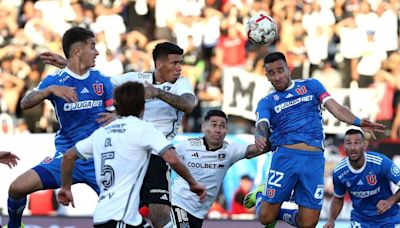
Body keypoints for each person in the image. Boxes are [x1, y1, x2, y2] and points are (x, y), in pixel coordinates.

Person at [42, 42, 196, 228]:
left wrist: (157, 93)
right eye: (174, 63)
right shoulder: (136, 78)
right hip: (128, 153)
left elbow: (188, 105)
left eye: (180, 63)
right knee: (122, 215)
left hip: (156, 156)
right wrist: (69, 65)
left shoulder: (181, 83)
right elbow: (99, 82)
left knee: (159, 218)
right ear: (159, 64)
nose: (179, 68)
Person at [243, 52, 386, 228]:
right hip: (285, 159)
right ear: (267, 76)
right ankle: (260, 195)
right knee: (265, 217)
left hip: (314, 161)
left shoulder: (311, 85)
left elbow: (335, 108)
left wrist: (358, 121)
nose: (277, 76)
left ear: (289, 69)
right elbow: (262, 124)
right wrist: (260, 136)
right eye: (272, 73)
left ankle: (278, 211)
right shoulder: (267, 102)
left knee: (308, 223)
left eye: (280, 70)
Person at [5, 27, 115, 228]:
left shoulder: (101, 80)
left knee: (127, 211)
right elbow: (25, 103)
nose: (97, 52)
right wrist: (49, 90)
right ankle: (14, 226)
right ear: (77, 51)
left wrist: (116, 116)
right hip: (66, 158)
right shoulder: (55, 80)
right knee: (16, 188)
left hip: (100, 160)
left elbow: (118, 113)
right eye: (93, 47)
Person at [57, 81, 206, 228]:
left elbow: (68, 156)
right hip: (121, 218)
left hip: (104, 216)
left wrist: (65, 187)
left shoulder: (101, 133)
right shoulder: (143, 128)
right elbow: (172, 159)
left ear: (116, 106)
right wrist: (193, 183)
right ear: (142, 107)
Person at [170, 110, 269, 228]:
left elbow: (259, 149)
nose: (217, 130)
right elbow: (163, 157)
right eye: (213, 125)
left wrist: (282, 137)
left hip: (199, 213)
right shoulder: (184, 146)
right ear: (203, 127)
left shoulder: (231, 150)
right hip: (177, 203)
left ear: (226, 131)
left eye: (222, 126)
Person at [323, 129, 400, 228]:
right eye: (349, 143)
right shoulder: (339, 172)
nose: (353, 148)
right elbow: (338, 198)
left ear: (364, 145)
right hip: (361, 220)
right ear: (344, 147)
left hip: (390, 217)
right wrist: (331, 220)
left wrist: (390, 201)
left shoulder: (381, 163)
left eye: (357, 143)